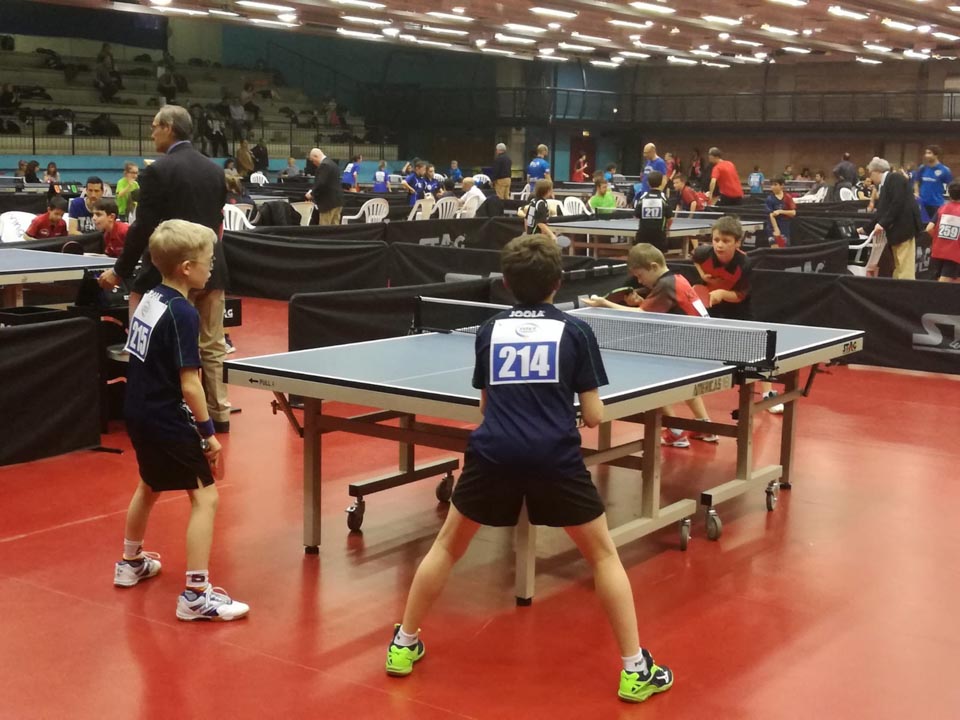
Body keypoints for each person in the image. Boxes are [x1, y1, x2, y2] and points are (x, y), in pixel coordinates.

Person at [384, 234, 674, 704]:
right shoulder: (575, 332)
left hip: (494, 452)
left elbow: (486, 405)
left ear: (506, 283)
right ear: (558, 282)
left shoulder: (489, 330)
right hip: (554, 456)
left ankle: (403, 643)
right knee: (603, 556)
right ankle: (635, 670)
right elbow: (594, 415)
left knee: (448, 546)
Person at [114, 218, 249, 622]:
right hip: (165, 414)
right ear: (187, 268)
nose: (213, 267)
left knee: (150, 483)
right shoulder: (183, 313)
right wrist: (209, 433)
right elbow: (190, 383)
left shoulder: (151, 298)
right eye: (209, 261)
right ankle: (196, 594)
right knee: (206, 497)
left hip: (137, 408)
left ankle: (130, 562)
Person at [97, 104, 232, 433]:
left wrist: (119, 271)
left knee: (167, 346)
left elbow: (143, 227)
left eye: (155, 126)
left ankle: (174, 409)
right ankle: (219, 414)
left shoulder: (157, 171)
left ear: (169, 128)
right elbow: (216, 223)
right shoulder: (215, 170)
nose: (152, 132)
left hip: (172, 276)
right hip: (211, 269)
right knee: (213, 345)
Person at [582, 243, 717, 448]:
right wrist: (641, 302)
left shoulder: (666, 285)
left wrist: (605, 304)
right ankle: (704, 425)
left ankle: (675, 431)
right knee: (683, 381)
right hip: (700, 342)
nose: (639, 280)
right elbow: (660, 309)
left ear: (653, 266)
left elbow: (643, 315)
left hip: (691, 345)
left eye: (640, 275)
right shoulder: (677, 278)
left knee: (651, 380)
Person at [692, 217, 783, 412]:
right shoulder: (704, 253)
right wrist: (702, 275)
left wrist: (722, 293)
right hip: (712, 302)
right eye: (716, 240)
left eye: (726, 241)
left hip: (737, 305)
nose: (719, 245)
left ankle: (768, 393)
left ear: (737, 243)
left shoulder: (744, 263)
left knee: (758, 345)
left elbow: (740, 295)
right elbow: (695, 258)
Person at [866, 156, 921, 280]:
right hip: (896, 231)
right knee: (898, 266)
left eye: (870, 173)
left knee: (905, 267)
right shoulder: (885, 184)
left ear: (876, 171)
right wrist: (865, 229)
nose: (870, 178)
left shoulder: (895, 178)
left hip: (905, 229)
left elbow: (897, 203)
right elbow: (882, 212)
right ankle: (898, 287)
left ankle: (906, 289)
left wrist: (882, 224)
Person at [926, 180, 960, 283]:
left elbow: (929, 228)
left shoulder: (942, 208)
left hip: (938, 251)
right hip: (954, 254)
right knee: (943, 285)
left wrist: (938, 237)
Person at [633, 170, 673, 253]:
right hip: (659, 235)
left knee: (642, 256)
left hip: (643, 235)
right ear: (661, 183)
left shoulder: (643, 197)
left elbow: (636, 216)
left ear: (648, 183)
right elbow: (670, 219)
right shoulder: (664, 198)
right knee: (659, 257)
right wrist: (667, 229)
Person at [305, 146, 344, 225]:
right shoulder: (332, 164)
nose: (313, 163)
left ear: (316, 156)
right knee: (335, 227)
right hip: (337, 201)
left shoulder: (324, 165)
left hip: (328, 203)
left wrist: (311, 194)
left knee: (325, 227)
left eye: (313, 160)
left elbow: (321, 183)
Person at [915, 144, 952, 223]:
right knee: (922, 226)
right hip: (922, 204)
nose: (926, 155)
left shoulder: (945, 170)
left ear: (936, 155)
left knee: (934, 226)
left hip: (937, 204)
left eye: (929, 153)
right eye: (926, 153)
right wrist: (916, 193)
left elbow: (950, 186)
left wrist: (951, 201)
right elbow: (916, 182)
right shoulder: (922, 168)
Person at [765, 177, 797, 247]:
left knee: (783, 248)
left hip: (784, 226)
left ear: (782, 185)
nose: (772, 187)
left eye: (775, 185)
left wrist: (780, 211)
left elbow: (793, 213)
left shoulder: (788, 197)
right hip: (772, 226)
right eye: (771, 185)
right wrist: (776, 229)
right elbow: (771, 215)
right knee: (775, 248)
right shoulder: (769, 199)